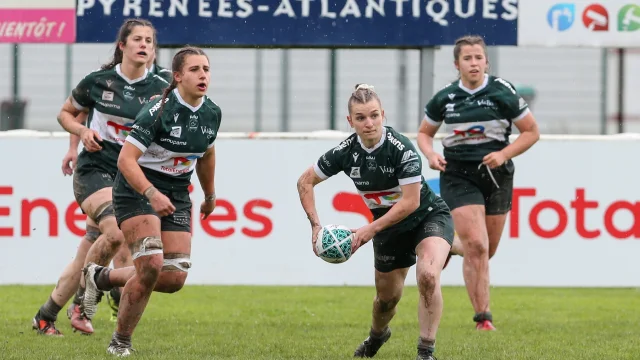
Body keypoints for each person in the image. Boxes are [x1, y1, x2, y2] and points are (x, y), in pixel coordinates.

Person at [78, 46, 221, 356]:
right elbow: (126, 161)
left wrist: (209, 195)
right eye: (195, 70)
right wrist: (151, 194)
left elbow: (207, 154)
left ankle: (99, 277)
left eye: (206, 69)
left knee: (173, 277)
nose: (203, 75)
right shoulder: (158, 110)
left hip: (177, 193)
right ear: (178, 76)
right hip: (137, 188)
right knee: (152, 263)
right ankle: (120, 343)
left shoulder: (212, 112)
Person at [297, 84, 453, 360]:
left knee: (428, 276)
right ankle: (377, 336)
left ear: (383, 114)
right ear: (350, 121)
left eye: (374, 116)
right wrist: (316, 226)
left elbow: (410, 202)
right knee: (386, 300)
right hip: (388, 227)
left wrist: (369, 229)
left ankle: (425, 352)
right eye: (360, 118)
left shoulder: (401, 149)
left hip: (426, 215)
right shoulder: (346, 152)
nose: (368, 123)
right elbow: (305, 181)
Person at [417, 35, 540, 331]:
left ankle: (453, 247)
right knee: (478, 245)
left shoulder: (502, 91)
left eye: (478, 58)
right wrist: (432, 155)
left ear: (487, 61)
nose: (474, 63)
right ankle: (483, 318)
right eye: (467, 58)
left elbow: (531, 132)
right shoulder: (445, 97)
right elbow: (424, 133)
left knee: (486, 249)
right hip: (458, 173)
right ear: (456, 64)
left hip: (496, 175)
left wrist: (503, 153)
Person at [53, 18, 170, 328]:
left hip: (131, 176)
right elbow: (67, 113)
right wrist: (78, 135)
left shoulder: (163, 88)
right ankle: (83, 303)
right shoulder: (98, 81)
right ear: (123, 46)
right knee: (115, 234)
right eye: (138, 39)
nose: (144, 44)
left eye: (149, 41)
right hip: (96, 170)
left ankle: (46, 315)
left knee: (103, 250)